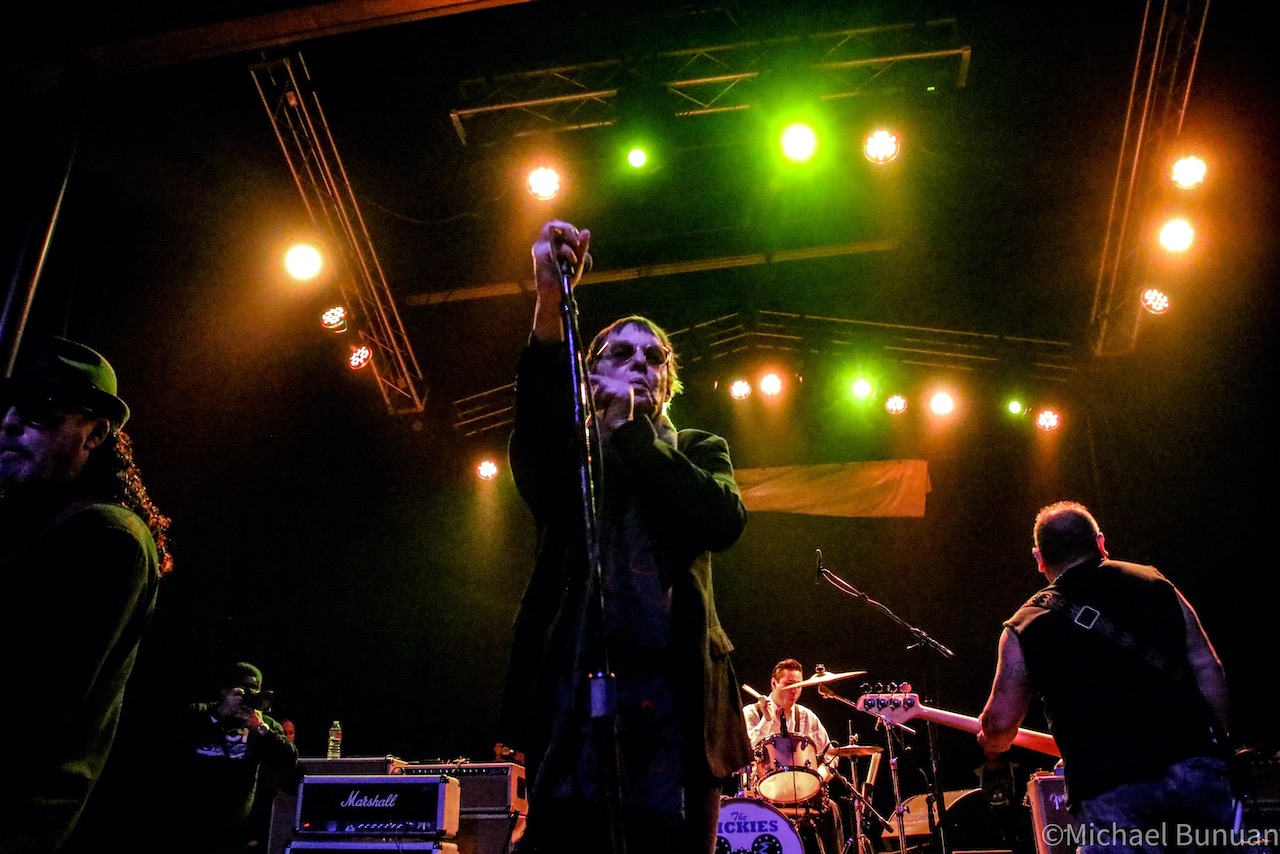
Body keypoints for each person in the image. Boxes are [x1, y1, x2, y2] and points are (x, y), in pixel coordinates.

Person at [496, 220, 754, 854]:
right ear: (591, 377)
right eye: (621, 353)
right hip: (574, 686)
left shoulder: (697, 448)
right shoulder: (571, 457)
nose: (641, 362)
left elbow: (723, 520)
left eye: (654, 357)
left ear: (668, 383)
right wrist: (549, 300)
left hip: (674, 696)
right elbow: (535, 430)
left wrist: (634, 435)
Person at [977, 501, 1234, 853]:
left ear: (1039, 558)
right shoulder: (1155, 583)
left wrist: (992, 742)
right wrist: (1215, 745)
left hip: (1108, 790)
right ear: (1100, 542)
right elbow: (1208, 667)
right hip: (1192, 771)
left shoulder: (1025, 625)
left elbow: (1000, 722)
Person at [0, 335, 172, 854]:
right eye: (10, 406)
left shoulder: (107, 537)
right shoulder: (29, 525)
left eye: (42, 411)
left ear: (95, 433)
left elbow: (29, 704)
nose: (9, 422)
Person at [157, 661, 299, 854]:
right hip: (188, 829)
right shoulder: (199, 713)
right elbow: (168, 744)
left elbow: (289, 759)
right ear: (224, 690)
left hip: (238, 835)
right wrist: (220, 714)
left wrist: (259, 729)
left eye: (253, 690)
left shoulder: (264, 725)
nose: (246, 697)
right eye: (241, 691)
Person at [743, 659, 845, 854]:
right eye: (789, 685)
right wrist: (767, 721)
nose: (794, 691)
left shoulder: (806, 716)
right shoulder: (752, 712)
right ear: (774, 683)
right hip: (763, 794)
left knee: (831, 809)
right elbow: (745, 749)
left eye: (799, 686)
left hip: (802, 794)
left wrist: (817, 779)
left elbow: (831, 755)